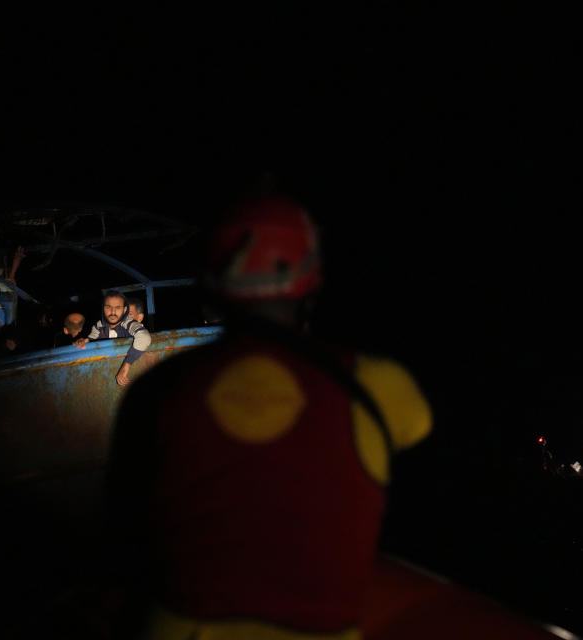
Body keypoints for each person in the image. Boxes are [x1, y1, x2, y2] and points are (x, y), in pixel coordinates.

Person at [97, 194, 434, 639]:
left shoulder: (158, 390)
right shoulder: (380, 385)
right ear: (313, 283)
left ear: (212, 285)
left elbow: (124, 528)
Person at [74, 291, 151, 386]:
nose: (113, 312)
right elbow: (90, 340)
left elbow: (144, 337)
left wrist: (126, 366)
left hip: (132, 376)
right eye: (108, 307)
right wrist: (83, 342)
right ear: (103, 309)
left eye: (118, 308)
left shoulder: (128, 323)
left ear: (124, 310)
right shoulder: (98, 326)